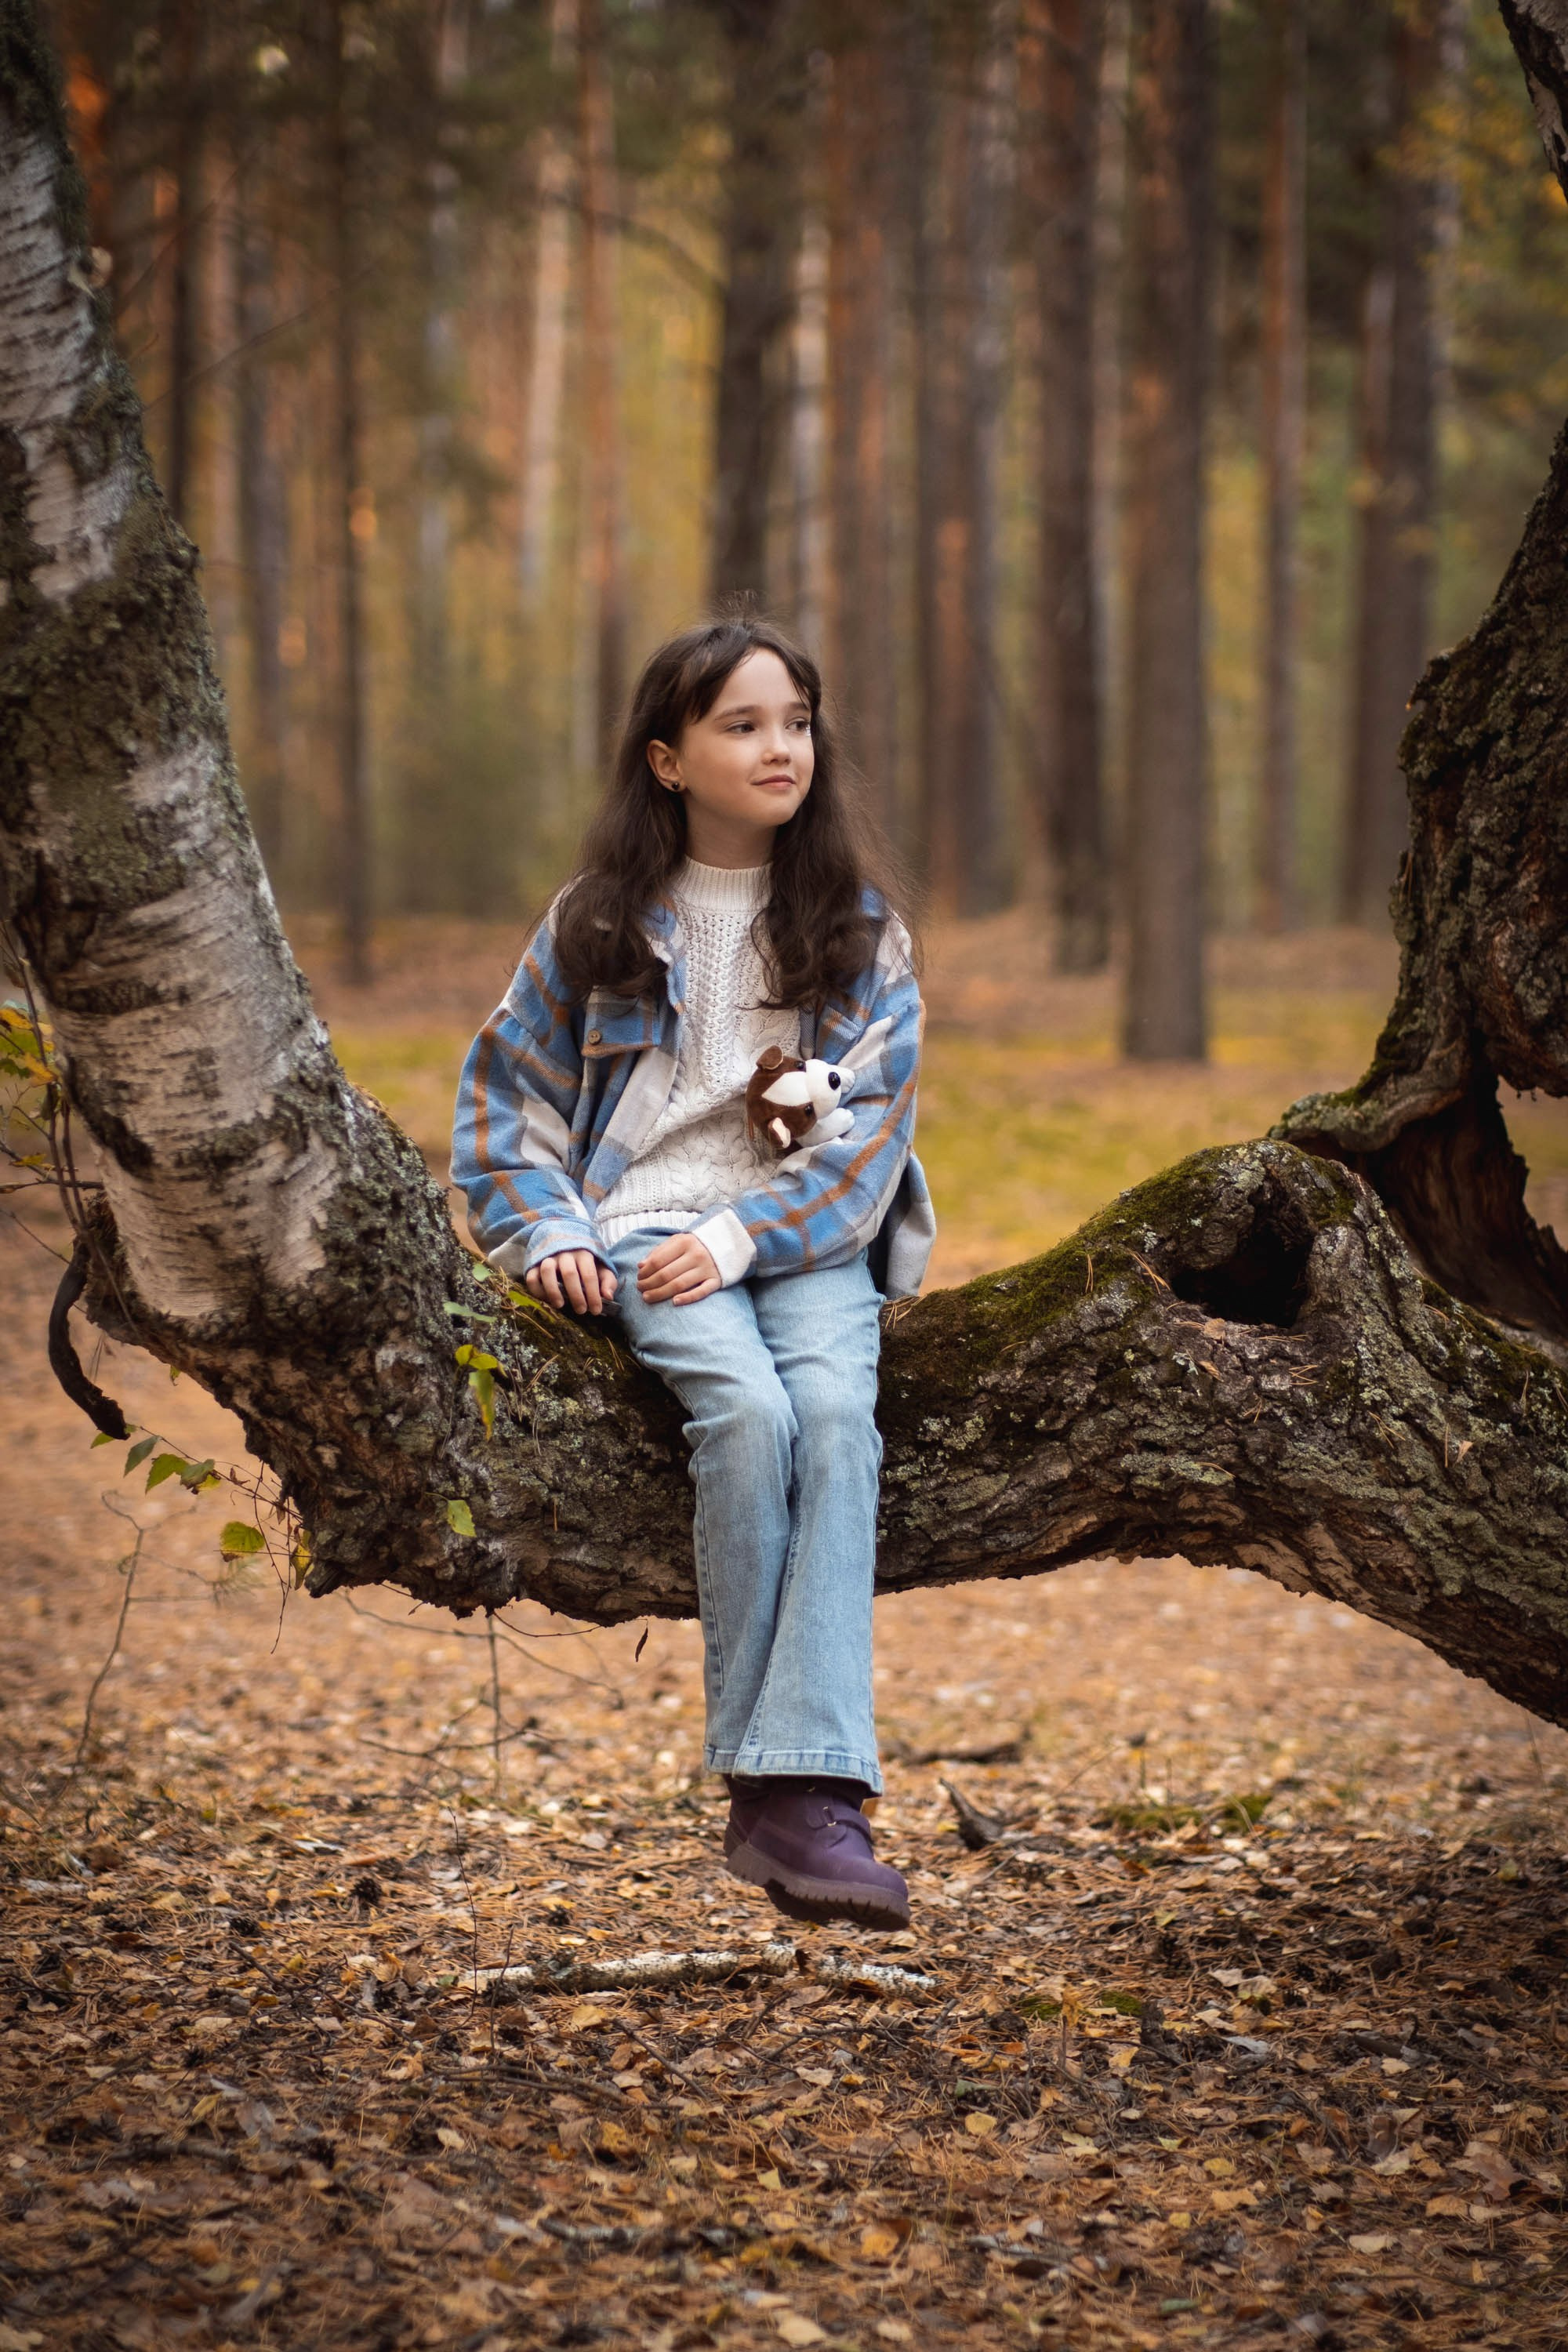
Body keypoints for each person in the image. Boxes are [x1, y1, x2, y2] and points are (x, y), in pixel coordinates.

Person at [452, 618, 935, 1932]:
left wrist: (742, 1237)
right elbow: (503, 1108)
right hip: (644, 1233)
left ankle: (808, 1793)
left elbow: (869, 1148)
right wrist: (549, 1232)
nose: (783, 748)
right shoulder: (596, 923)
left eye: (798, 723)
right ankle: (774, 1791)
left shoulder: (861, 930)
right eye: (745, 725)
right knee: (749, 1416)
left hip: (803, 1238)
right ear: (668, 760)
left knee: (835, 1419)